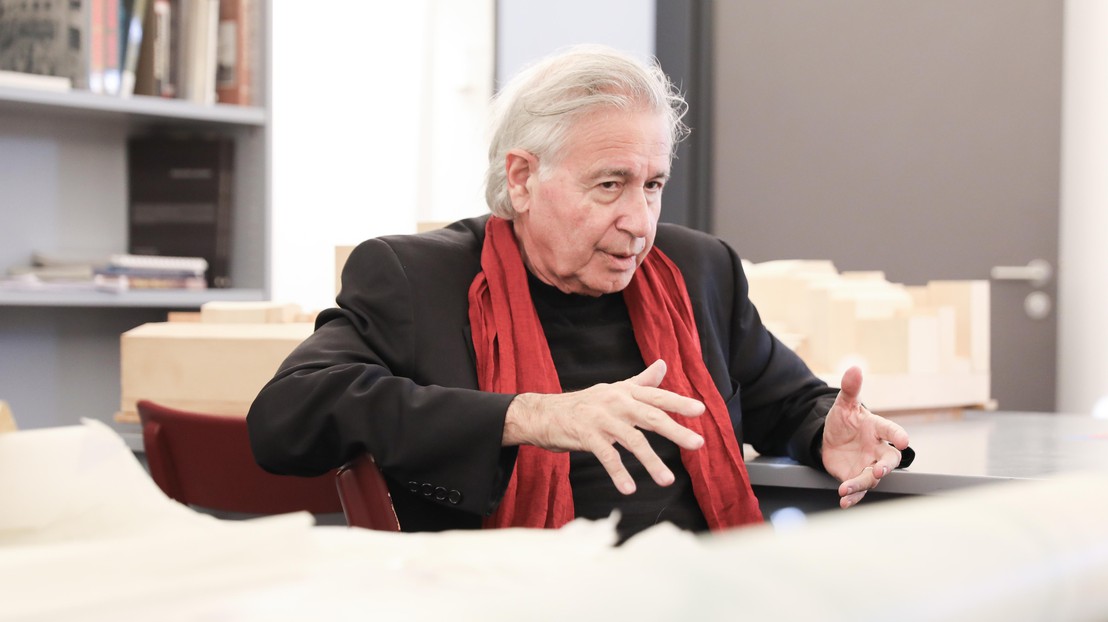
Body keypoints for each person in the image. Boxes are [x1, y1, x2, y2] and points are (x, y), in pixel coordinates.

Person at [247, 44, 911, 542]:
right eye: (609, 185)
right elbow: (287, 419)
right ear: (522, 179)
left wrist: (828, 429)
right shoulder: (416, 279)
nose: (639, 221)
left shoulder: (698, 269)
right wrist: (529, 416)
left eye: (652, 184)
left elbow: (785, 400)